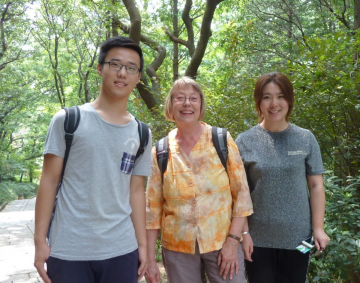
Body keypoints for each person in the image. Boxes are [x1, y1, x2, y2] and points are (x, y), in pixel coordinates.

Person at [34, 36, 152, 283]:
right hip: (68, 249)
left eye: (131, 68)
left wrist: (142, 245)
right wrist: (39, 241)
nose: (122, 73)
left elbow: (136, 191)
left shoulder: (141, 133)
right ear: (100, 69)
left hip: (121, 249)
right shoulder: (68, 120)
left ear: (138, 77)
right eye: (115, 64)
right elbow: (49, 181)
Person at [144, 76, 253, 283]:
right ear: (171, 104)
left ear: (201, 104)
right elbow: (152, 211)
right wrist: (150, 260)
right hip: (178, 248)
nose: (187, 103)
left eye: (193, 98)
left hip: (222, 242)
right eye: (180, 98)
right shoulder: (160, 150)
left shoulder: (220, 139)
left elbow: (242, 195)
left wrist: (233, 241)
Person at [235, 72, 330, 283]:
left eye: (280, 96)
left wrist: (318, 228)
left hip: (300, 238)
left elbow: (316, 186)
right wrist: (244, 234)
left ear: (289, 100)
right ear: (258, 101)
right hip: (257, 239)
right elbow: (239, 193)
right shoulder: (244, 141)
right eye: (266, 97)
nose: (274, 103)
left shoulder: (305, 138)